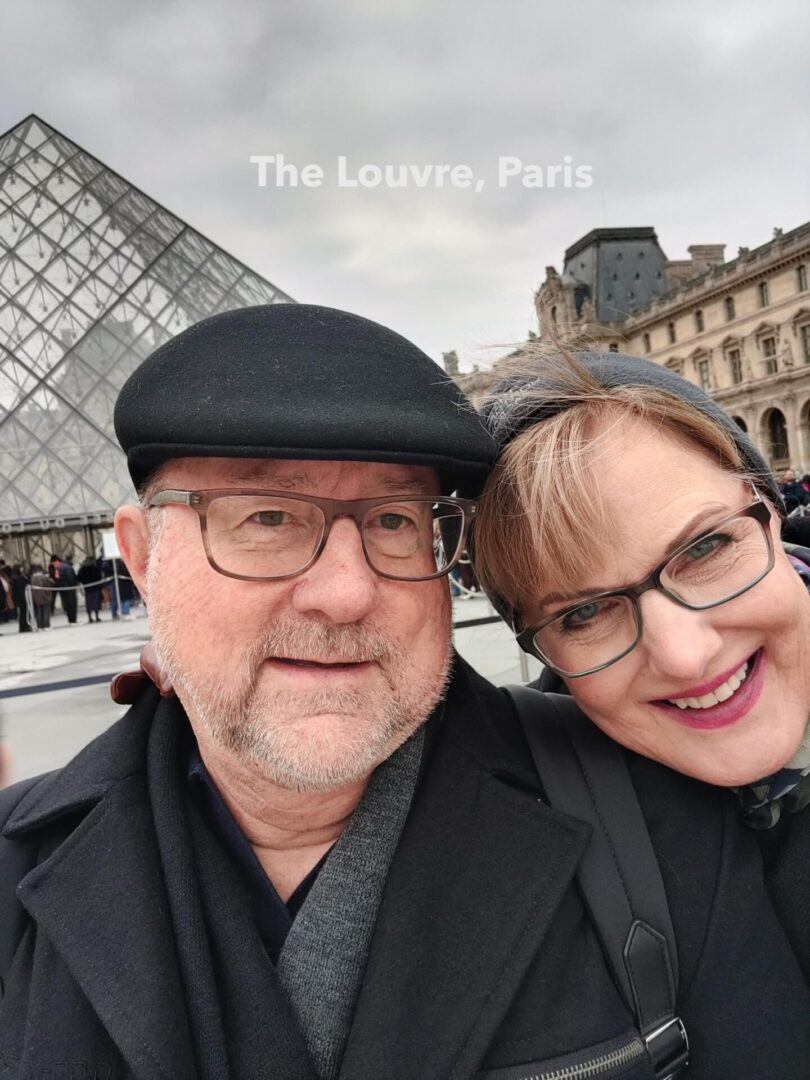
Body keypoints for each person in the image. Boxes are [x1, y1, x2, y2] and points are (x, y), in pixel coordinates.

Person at [2, 306, 809, 1080]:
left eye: (394, 519)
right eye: (268, 517)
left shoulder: (663, 820)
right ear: (142, 559)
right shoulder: (15, 862)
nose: (346, 592)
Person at [473, 346, 810, 976]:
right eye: (583, 613)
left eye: (706, 548)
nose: (685, 657)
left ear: (769, 513)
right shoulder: (534, 870)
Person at [77, 555, 102, 622]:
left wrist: (84, 582)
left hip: (87, 588)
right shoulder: (95, 568)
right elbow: (99, 577)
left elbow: (79, 578)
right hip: (95, 587)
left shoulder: (82, 569)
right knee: (96, 603)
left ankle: (90, 617)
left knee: (89, 603)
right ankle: (97, 616)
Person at [29, 564, 52, 630]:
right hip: (45, 595)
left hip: (36, 596)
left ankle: (40, 626)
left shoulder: (33, 578)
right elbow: (51, 583)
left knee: (39, 611)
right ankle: (46, 625)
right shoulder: (43, 577)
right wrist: (48, 577)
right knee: (46, 611)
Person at [59, 555, 79, 625]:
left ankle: (70, 619)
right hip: (69, 588)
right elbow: (70, 578)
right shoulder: (68, 567)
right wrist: (74, 584)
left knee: (67, 604)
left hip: (63, 588)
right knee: (72, 604)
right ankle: (73, 619)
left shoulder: (61, 566)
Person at [10, 564, 30, 633]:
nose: (22, 569)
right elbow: (20, 589)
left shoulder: (16, 577)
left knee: (23, 613)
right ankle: (24, 626)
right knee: (23, 613)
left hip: (19, 598)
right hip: (22, 597)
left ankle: (23, 626)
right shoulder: (18, 578)